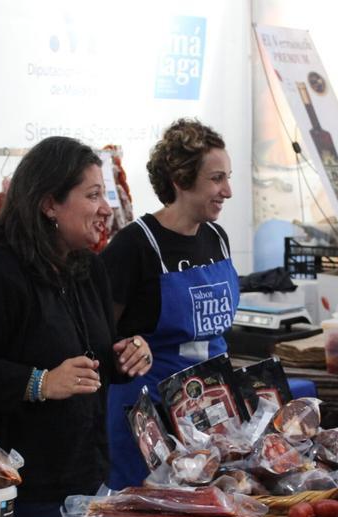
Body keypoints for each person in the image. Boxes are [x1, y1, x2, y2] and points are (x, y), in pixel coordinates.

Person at [0, 136, 153, 517]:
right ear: (49, 204)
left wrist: (128, 354)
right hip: (5, 492)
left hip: (80, 477)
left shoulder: (88, 268)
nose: (105, 208)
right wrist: (40, 383)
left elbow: (88, 361)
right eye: (93, 195)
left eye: (105, 194)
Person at [101, 119, 239, 489]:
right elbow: (96, 330)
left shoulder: (217, 238)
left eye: (228, 177)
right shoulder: (134, 245)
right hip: (148, 412)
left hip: (208, 404)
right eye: (216, 179)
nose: (227, 190)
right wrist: (128, 342)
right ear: (180, 179)